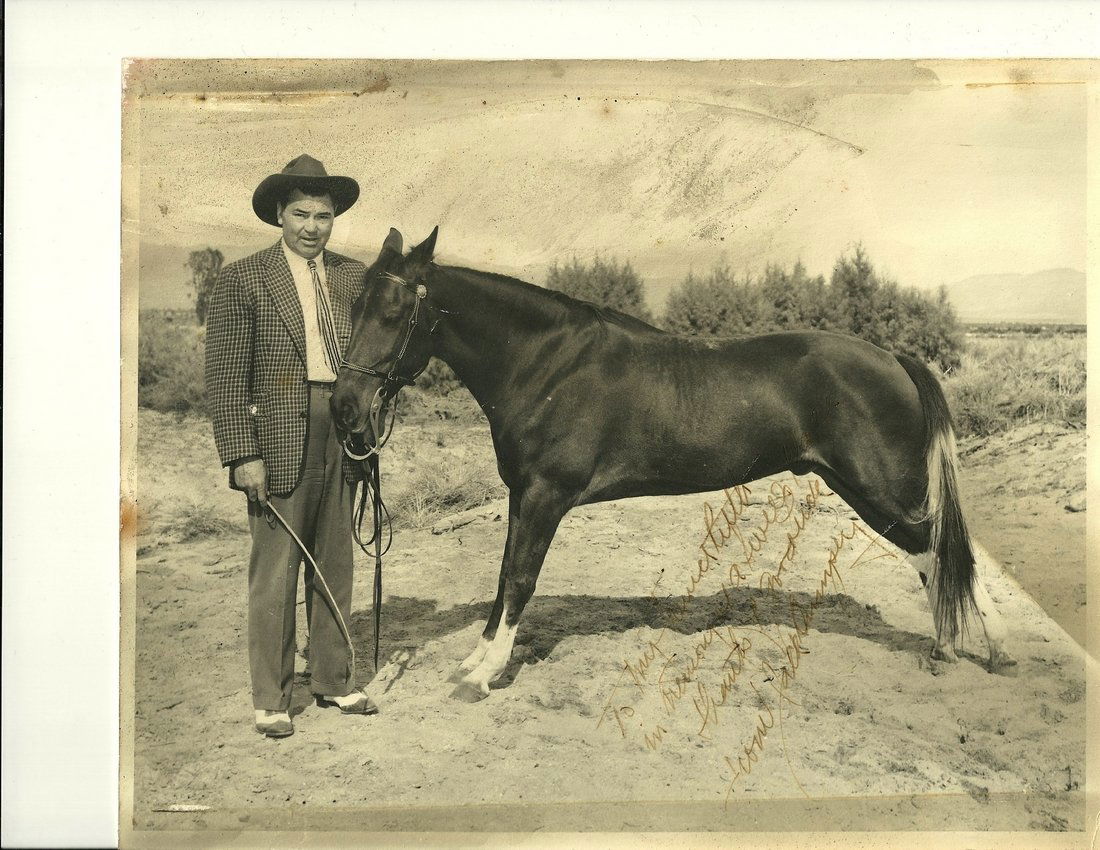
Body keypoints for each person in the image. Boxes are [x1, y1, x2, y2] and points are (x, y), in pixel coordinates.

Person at [205, 154, 386, 737]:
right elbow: (226, 376)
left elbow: (384, 351)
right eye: (301, 214)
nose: (312, 227)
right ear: (279, 216)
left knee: (335, 557)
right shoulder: (243, 279)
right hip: (278, 431)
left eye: (324, 216)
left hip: (344, 425)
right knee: (278, 566)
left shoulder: (356, 278)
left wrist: (373, 416)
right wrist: (241, 454)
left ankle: (333, 680)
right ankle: (272, 697)